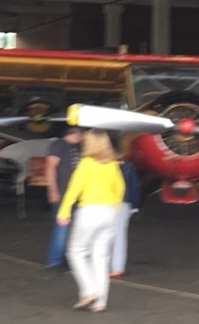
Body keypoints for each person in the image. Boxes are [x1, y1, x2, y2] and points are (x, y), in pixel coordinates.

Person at [57, 129, 124, 313]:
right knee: (100, 257)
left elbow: (74, 189)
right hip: (109, 212)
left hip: (90, 211)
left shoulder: (86, 163)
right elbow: (119, 187)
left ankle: (89, 291)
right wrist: (115, 209)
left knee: (76, 252)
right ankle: (100, 302)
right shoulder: (112, 164)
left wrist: (64, 211)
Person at [44, 126, 83, 269]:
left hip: (74, 194)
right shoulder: (59, 145)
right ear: (76, 133)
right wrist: (53, 190)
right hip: (63, 193)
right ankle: (55, 260)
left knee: (70, 228)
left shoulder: (75, 147)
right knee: (62, 227)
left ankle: (63, 257)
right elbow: (50, 167)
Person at [110, 158, 141, 278]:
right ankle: (117, 268)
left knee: (102, 236)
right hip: (123, 204)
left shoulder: (98, 163)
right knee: (119, 237)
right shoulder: (128, 166)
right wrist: (135, 205)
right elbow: (134, 186)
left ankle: (101, 265)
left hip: (102, 203)